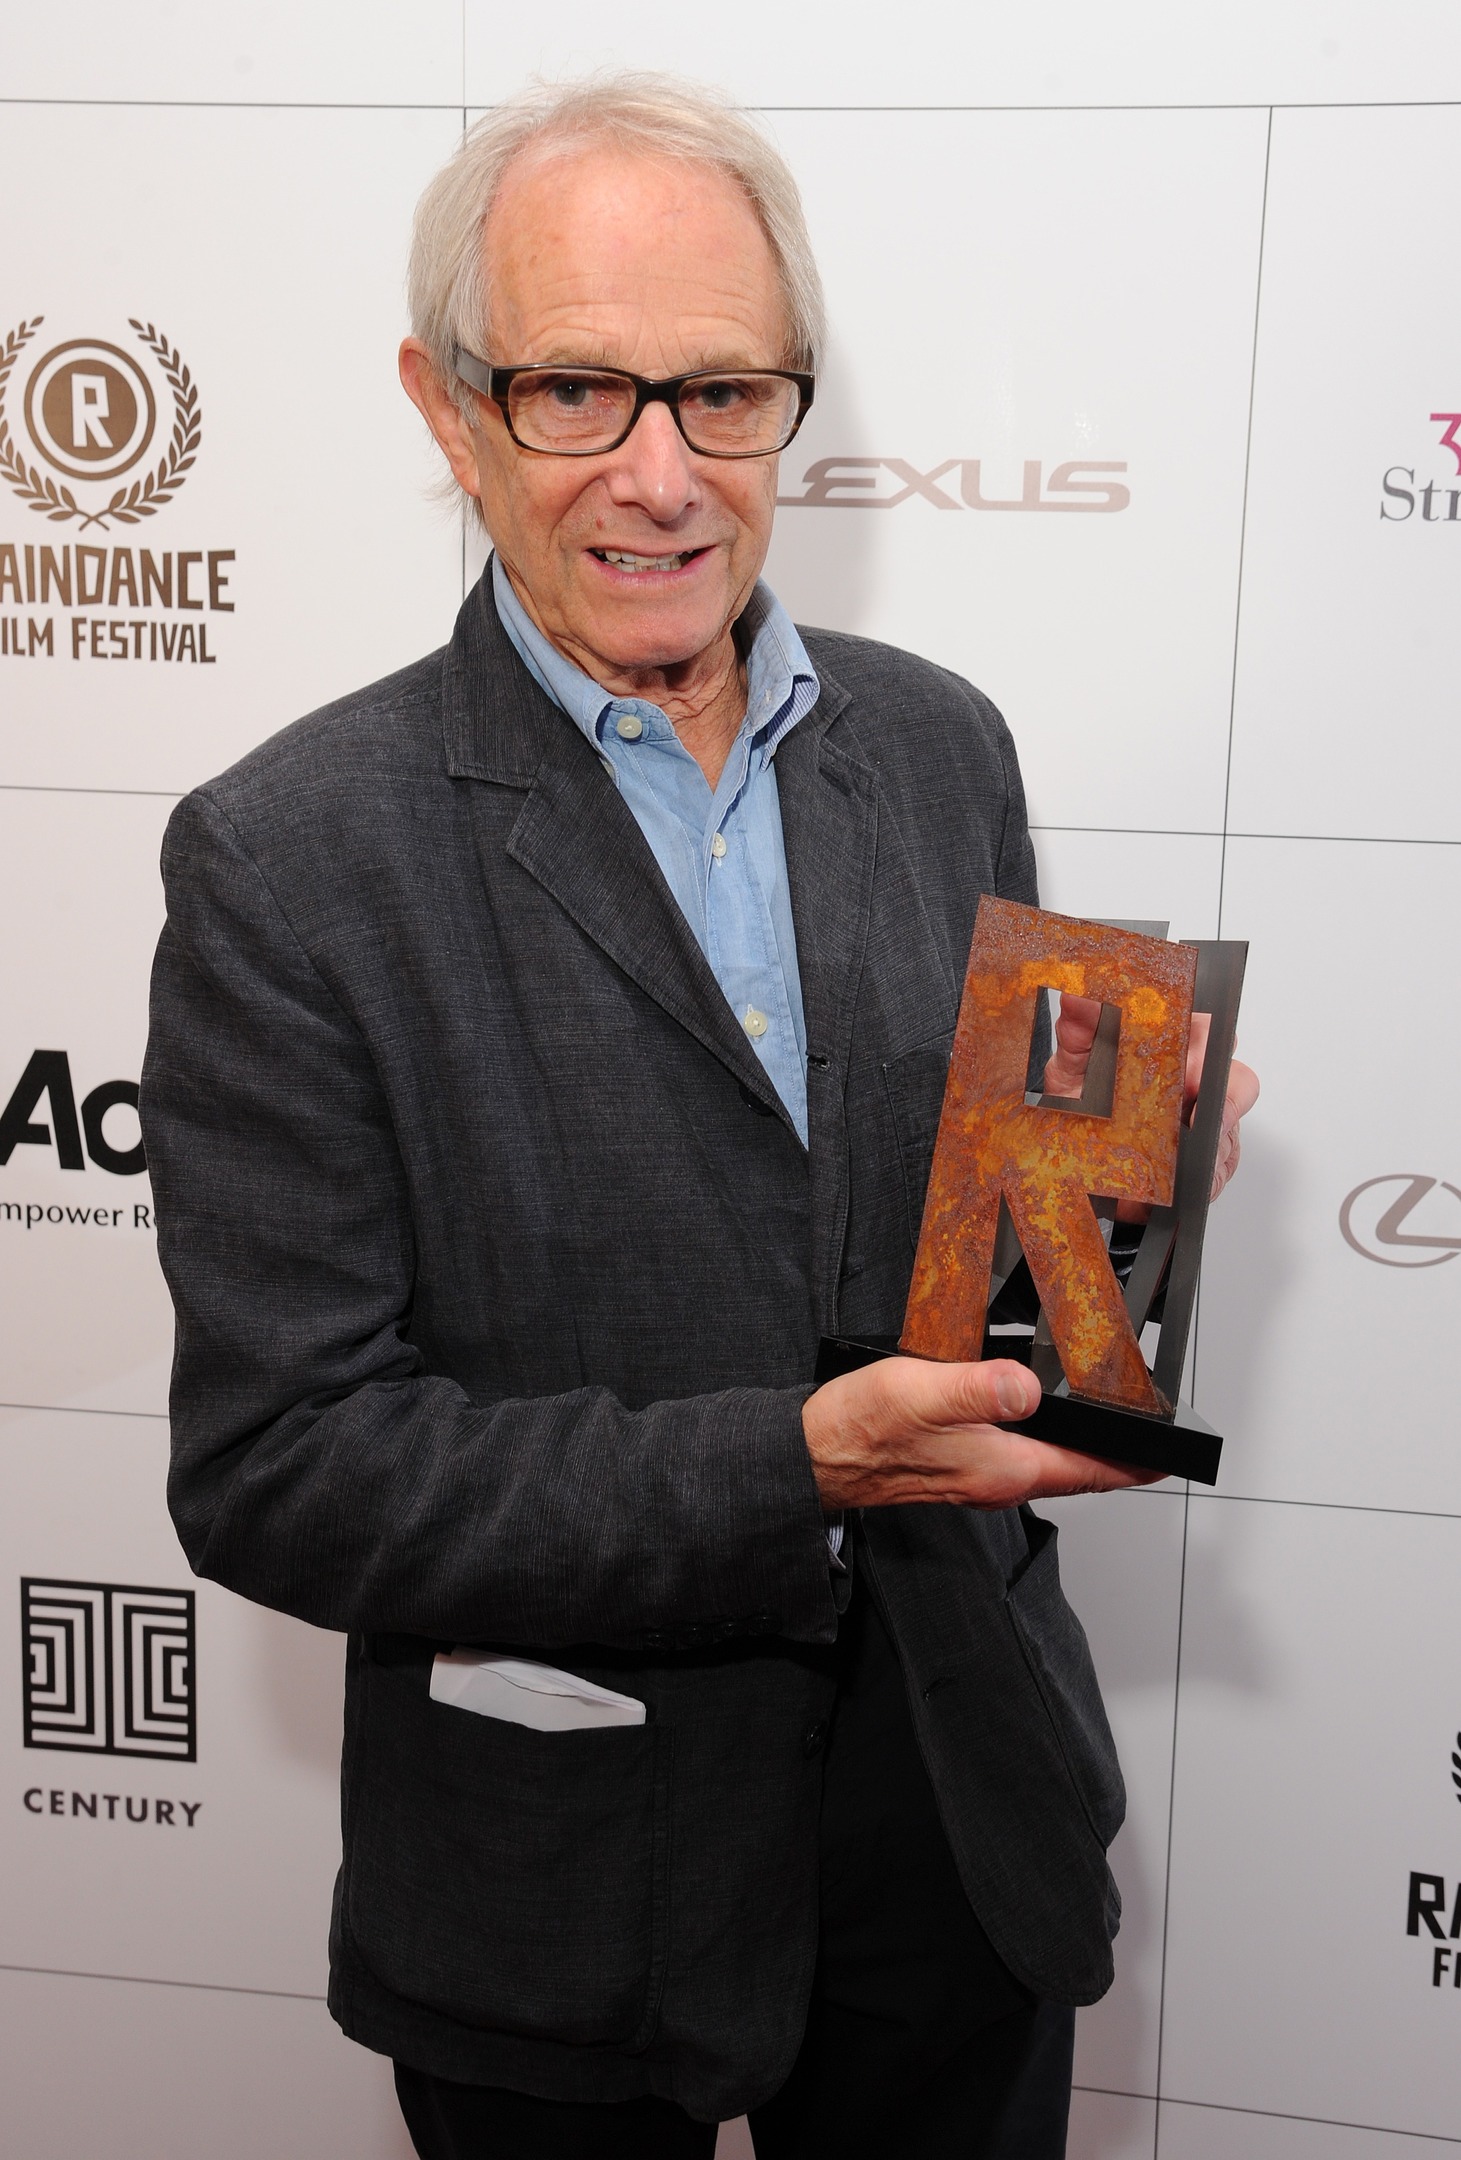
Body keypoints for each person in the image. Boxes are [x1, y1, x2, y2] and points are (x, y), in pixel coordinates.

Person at [140, 73, 1257, 2160]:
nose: (659, 477)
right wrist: (795, 1466)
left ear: (788, 402)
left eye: (723, 393)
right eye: (575, 388)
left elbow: (981, 1296)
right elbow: (281, 1471)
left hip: (958, 1822)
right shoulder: (290, 857)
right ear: (445, 406)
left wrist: (1117, 1206)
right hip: (559, 1892)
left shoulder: (934, 747)